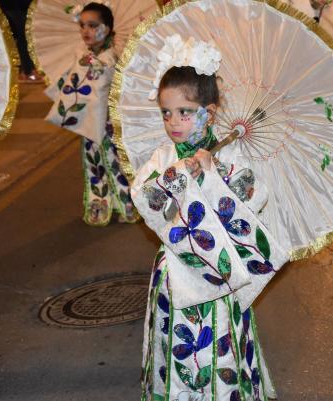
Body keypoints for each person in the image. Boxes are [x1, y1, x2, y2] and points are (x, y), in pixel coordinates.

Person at [131, 35, 288, 401]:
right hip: (176, 270)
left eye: (185, 112)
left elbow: (254, 199)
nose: (174, 122)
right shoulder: (163, 156)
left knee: (219, 338)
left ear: (210, 112)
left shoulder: (228, 156)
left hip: (222, 272)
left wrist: (216, 176)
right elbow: (144, 197)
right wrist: (175, 177)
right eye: (166, 113)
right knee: (179, 340)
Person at [45, 2, 137, 226]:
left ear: (105, 28)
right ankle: (99, 205)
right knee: (93, 164)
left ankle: (127, 204)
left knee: (116, 164)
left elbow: (122, 92)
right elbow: (68, 84)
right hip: (88, 123)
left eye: (92, 25)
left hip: (109, 125)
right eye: (82, 25)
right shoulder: (81, 56)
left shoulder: (113, 59)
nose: (85, 30)